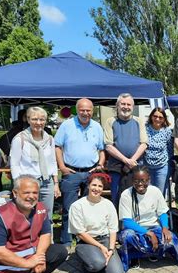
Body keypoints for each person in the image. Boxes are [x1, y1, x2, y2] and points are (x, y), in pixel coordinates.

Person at [55, 98, 105, 247]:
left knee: (88, 208)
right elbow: (57, 146)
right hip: (71, 173)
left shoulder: (96, 127)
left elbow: (102, 149)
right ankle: (67, 240)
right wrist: (62, 167)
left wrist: (101, 163)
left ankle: (84, 238)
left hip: (91, 173)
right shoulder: (66, 125)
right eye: (82, 110)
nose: (85, 113)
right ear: (77, 110)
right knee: (69, 208)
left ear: (92, 111)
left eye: (88, 110)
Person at [118, 166, 178, 271]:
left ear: (149, 180)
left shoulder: (155, 191)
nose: (140, 184)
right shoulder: (126, 195)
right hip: (135, 229)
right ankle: (142, 254)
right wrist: (148, 233)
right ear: (132, 180)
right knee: (127, 237)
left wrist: (165, 227)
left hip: (154, 226)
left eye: (143, 180)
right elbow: (127, 222)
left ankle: (141, 253)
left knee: (171, 239)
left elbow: (163, 213)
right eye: (136, 180)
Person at [10, 107, 60, 230]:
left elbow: (53, 162)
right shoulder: (19, 139)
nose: (38, 122)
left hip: (47, 183)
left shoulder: (49, 139)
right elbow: (14, 164)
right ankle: (28, 243)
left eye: (42, 119)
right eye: (34, 119)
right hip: (28, 184)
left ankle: (47, 242)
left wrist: (56, 183)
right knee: (28, 215)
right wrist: (18, 185)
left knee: (46, 215)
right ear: (28, 120)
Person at [69, 173, 124, 273]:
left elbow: (113, 229)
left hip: (105, 240)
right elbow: (80, 233)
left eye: (100, 186)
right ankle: (89, 265)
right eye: (94, 185)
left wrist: (111, 249)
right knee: (97, 264)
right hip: (86, 241)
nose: (96, 189)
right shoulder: (77, 206)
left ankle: (102, 263)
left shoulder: (108, 204)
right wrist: (100, 247)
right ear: (88, 185)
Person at [104, 93, 148, 205]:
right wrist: (126, 160)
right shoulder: (110, 121)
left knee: (136, 197)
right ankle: (118, 222)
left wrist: (131, 160)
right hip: (116, 167)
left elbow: (144, 144)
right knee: (116, 197)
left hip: (135, 165)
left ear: (133, 107)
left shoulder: (139, 121)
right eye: (123, 104)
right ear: (117, 106)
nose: (126, 107)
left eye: (129, 104)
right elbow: (108, 146)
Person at [144, 108, 173, 196]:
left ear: (164, 119)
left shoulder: (167, 131)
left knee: (159, 194)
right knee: (146, 193)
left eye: (160, 117)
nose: (157, 119)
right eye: (155, 116)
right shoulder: (145, 129)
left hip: (162, 167)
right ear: (151, 117)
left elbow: (170, 148)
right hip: (146, 166)